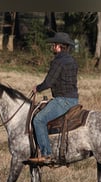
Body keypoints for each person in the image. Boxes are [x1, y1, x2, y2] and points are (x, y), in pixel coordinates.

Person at [29, 32, 79, 164]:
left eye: (54, 45)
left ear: (58, 46)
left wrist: (37, 88)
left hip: (63, 100)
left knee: (39, 120)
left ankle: (46, 154)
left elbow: (49, 82)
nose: (52, 47)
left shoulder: (58, 62)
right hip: (74, 99)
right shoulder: (72, 61)